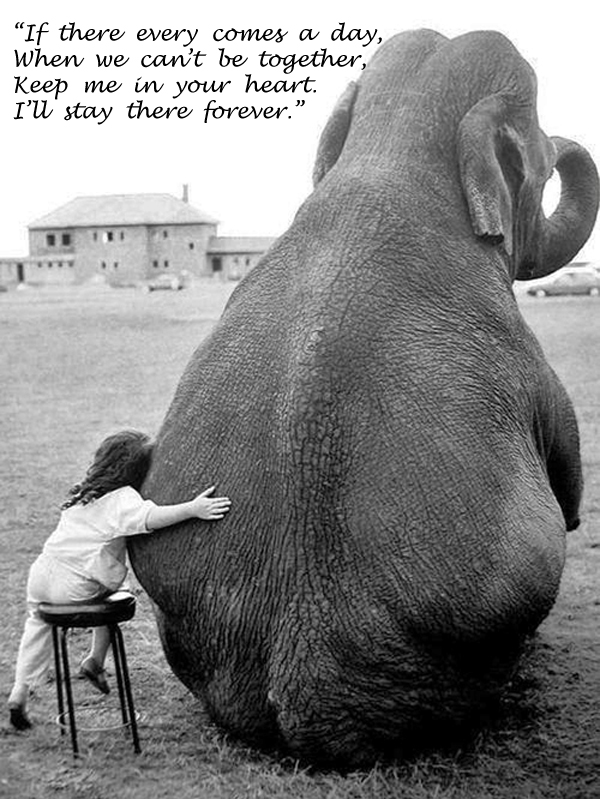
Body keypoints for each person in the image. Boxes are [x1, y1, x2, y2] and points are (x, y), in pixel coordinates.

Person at [7, 429, 231, 731]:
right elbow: (151, 518)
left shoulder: (84, 495)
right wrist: (193, 509)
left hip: (42, 574)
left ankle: (20, 691)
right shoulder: (123, 499)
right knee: (113, 596)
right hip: (74, 584)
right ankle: (95, 659)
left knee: (37, 624)